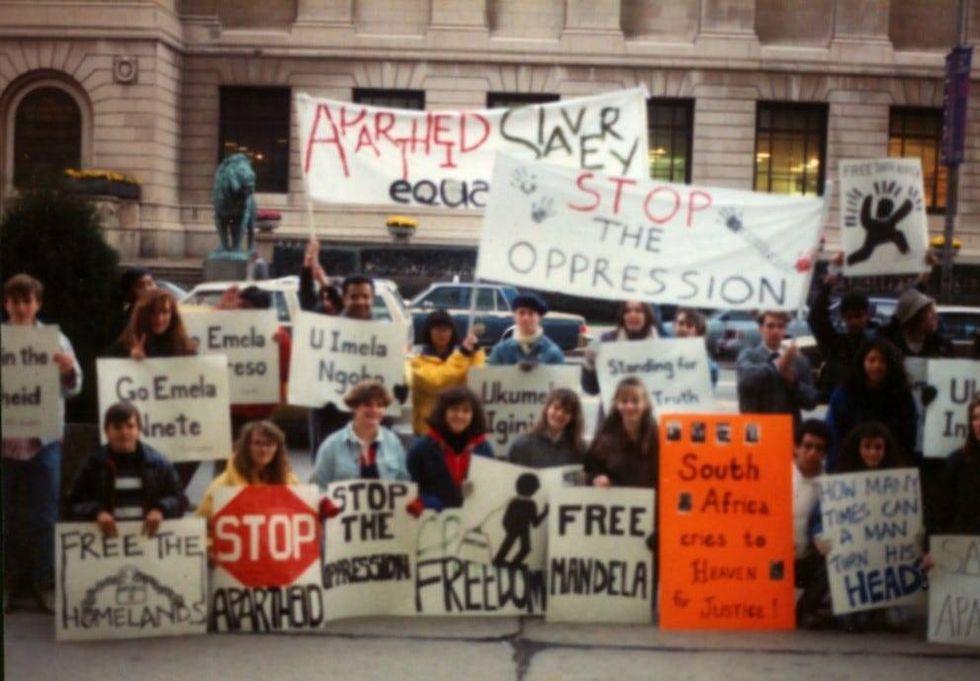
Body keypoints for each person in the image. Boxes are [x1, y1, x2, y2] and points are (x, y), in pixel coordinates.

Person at [2, 274, 82, 612]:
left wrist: (66, 371)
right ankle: (7, 583)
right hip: (4, 442)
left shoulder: (57, 341)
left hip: (43, 441)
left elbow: (75, 388)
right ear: (6, 303)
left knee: (45, 516)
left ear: (38, 304)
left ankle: (44, 583)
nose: (22, 307)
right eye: (15, 301)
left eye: (28, 301)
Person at [67, 402, 183, 537]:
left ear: (139, 430)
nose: (124, 432)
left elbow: (180, 498)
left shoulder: (160, 463)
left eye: (130, 426)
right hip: (105, 545)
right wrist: (97, 513)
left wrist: (161, 510)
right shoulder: (93, 464)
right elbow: (72, 503)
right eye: (117, 427)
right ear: (107, 431)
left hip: (148, 544)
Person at [307, 272, 381, 460]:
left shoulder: (384, 336)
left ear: (372, 299)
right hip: (331, 419)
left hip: (370, 423)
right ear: (344, 298)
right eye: (354, 296)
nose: (360, 301)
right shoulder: (325, 332)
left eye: (365, 296)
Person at [824, 338, 917, 471]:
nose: (877, 365)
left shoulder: (902, 395)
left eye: (883, 361)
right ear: (862, 362)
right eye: (871, 360)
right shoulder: (844, 393)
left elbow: (908, 436)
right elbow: (834, 432)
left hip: (890, 466)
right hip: (850, 465)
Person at [407, 386, 494, 509]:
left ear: (473, 416)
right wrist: (425, 501)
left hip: (472, 521)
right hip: (432, 521)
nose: (459, 415)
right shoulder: (421, 448)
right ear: (443, 412)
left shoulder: (484, 448)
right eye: (454, 409)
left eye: (466, 411)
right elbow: (411, 487)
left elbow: (489, 488)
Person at [310, 381, 409, 490]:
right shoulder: (331, 445)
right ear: (354, 407)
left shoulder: (393, 442)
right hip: (341, 507)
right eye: (368, 404)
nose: (374, 410)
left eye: (380, 405)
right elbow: (317, 486)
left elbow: (404, 481)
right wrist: (326, 503)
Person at [196, 420, 298, 521]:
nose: (264, 449)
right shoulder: (221, 486)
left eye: (269, 444)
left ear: (277, 448)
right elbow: (203, 525)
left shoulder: (290, 481)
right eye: (257, 443)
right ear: (246, 447)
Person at [736, 310, 818, 435]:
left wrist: (794, 383)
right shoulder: (749, 355)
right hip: (756, 431)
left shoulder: (798, 359)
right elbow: (746, 381)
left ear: (785, 329)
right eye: (770, 326)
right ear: (760, 329)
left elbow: (811, 401)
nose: (775, 331)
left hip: (787, 432)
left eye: (780, 326)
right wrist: (776, 365)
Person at [808, 255, 873, 401]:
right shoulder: (835, 344)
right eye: (850, 317)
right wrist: (829, 282)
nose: (854, 321)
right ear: (843, 318)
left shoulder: (877, 343)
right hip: (839, 407)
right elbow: (816, 318)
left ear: (867, 315)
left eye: (858, 316)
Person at [408, 309, 484, 436]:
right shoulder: (417, 362)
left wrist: (476, 353)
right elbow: (438, 382)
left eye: (446, 329)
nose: (441, 333)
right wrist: (463, 354)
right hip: (428, 432)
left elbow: (477, 379)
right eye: (437, 329)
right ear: (429, 331)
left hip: (458, 428)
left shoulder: (461, 357)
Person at [791, 419, 832, 628]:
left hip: (807, 558)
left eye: (819, 448)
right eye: (807, 446)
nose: (812, 453)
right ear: (795, 447)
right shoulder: (778, 473)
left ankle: (804, 610)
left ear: (825, 453)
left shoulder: (832, 486)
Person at [584, 377, 658, 489]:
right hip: (616, 503)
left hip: (652, 503)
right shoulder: (603, 439)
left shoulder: (659, 437)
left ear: (645, 403)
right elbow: (588, 471)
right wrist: (596, 479)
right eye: (624, 401)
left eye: (635, 401)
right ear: (616, 403)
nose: (629, 406)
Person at [927, 393, 980, 537]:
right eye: (975, 418)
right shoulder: (957, 461)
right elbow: (940, 510)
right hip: (962, 548)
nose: (978, 423)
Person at [581, 301, 663, 395]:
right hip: (613, 408)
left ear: (647, 315)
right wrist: (589, 362)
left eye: (638, 311)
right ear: (622, 316)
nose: (632, 315)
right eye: (627, 311)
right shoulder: (606, 341)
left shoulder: (662, 344)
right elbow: (591, 389)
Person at [108, 288, 197, 359]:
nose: (159, 318)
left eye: (165, 312)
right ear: (143, 314)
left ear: (172, 315)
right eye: (153, 312)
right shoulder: (123, 347)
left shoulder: (186, 348)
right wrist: (130, 360)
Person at [507, 388, 586, 468]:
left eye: (567, 411)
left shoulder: (579, 449)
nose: (560, 414)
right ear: (547, 409)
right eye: (556, 407)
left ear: (573, 417)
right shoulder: (522, 445)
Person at [486, 293, 564, 367]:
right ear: (514, 316)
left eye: (531, 313)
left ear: (539, 318)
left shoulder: (552, 352)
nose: (525, 318)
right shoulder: (500, 351)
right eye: (521, 313)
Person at [877, 287, 954, 359]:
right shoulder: (891, 347)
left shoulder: (941, 346)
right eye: (929, 312)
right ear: (914, 318)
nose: (935, 316)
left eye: (934, 311)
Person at [109, 266, 156, 344]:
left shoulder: (166, 315)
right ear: (129, 293)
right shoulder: (122, 322)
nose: (148, 289)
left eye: (150, 284)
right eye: (140, 286)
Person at [673, 307, 718, 387]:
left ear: (698, 330)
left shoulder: (708, 365)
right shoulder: (664, 356)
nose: (684, 328)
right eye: (681, 323)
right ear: (674, 326)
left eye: (689, 325)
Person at [298, 235, 342, 315]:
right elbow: (306, 290)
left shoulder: (345, 316)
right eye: (324, 299)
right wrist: (308, 259)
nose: (326, 303)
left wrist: (324, 282)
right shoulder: (316, 312)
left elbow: (339, 303)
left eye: (329, 299)